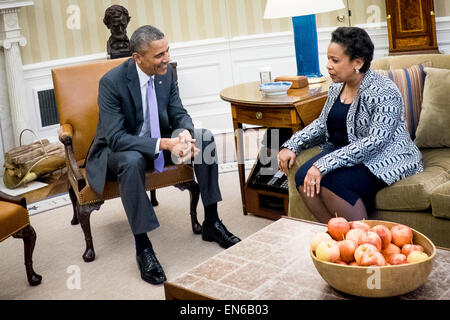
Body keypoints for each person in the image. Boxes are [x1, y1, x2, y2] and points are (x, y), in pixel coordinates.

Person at [85, 25, 240, 285]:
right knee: (132, 160)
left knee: (205, 138)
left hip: (162, 141)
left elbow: (178, 111)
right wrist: (165, 144)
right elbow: (116, 138)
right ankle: (143, 247)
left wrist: (184, 135)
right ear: (137, 58)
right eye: (158, 55)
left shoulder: (166, 74)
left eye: (167, 50)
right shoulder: (111, 83)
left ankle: (212, 221)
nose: (166, 58)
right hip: (118, 152)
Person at [277, 27, 423, 223]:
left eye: (335, 61)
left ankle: (362, 241)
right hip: (345, 152)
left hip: (384, 156)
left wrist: (324, 164)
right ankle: (335, 236)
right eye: (328, 58)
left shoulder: (384, 91)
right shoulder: (337, 86)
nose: (328, 66)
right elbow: (322, 124)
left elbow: (375, 141)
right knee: (303, 177)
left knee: (332, 182)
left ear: (358, 62)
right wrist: (292, 144)